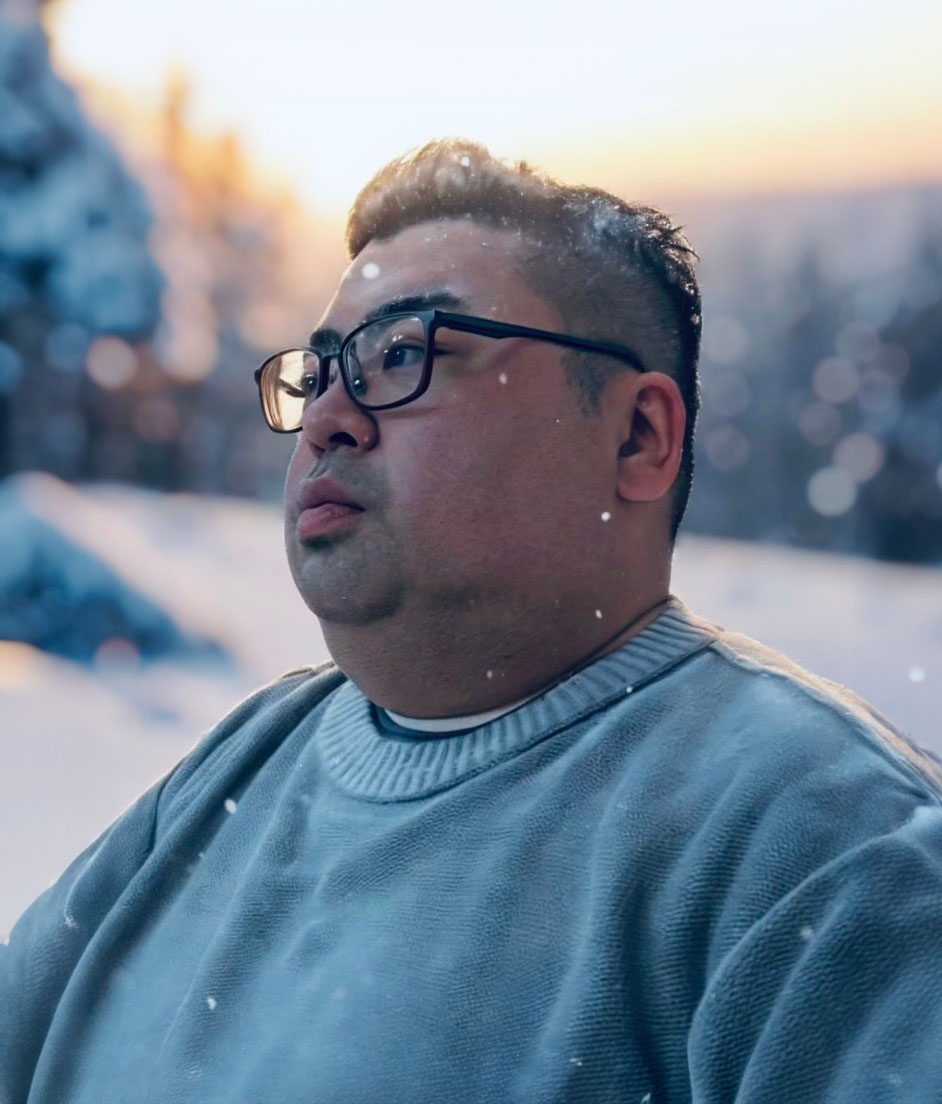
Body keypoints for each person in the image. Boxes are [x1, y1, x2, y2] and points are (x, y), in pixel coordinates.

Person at [2, 139, 941, 1103]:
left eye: (405, 353)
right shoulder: (234, 772)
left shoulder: (830, 851)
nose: (327, 418)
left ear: (638, 436)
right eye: (319, 374)